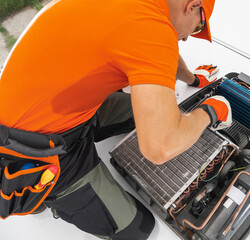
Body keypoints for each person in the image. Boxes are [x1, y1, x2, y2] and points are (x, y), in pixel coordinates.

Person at [0, 0, 231, 239]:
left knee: (153, 114)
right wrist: (211, 111)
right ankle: (43, 196)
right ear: (193, 5)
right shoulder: (151, 31)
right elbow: (159, 147)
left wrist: (193, 80)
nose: (186, 39)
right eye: (197, 27)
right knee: (138, 229)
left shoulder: (145, 10)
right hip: (32, 148)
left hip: (55, 106)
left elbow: (159, 50)